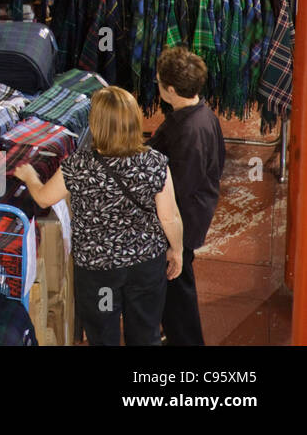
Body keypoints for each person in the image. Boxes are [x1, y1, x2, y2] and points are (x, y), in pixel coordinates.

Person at [13, 86, 184, 345]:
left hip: (98, 272)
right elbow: (170, 218)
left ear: (96, 124)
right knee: (145, 333)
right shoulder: (155, 163)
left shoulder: (78, 165)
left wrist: (30, 177)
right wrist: (177, 250)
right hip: (145, 265)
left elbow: (44, 198)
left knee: (103, 335)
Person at [151, 46, 226, 345]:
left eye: (159, 82)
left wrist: (174, 242)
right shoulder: (202, 116)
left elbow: (179, 190)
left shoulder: (188, 132)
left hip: (182, 223)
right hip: (191, 215)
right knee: (176, 286)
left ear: (170, 90)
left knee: (177, 286)